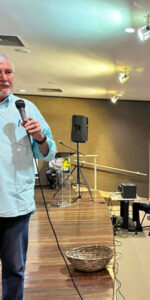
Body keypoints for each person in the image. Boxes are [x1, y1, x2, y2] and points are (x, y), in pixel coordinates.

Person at [0, 52, 56, 300]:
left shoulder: (26, 108)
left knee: (14, 271)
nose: (4, 79)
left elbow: (47, 152)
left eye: (8, 72)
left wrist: (39, 137)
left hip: (16, 208)